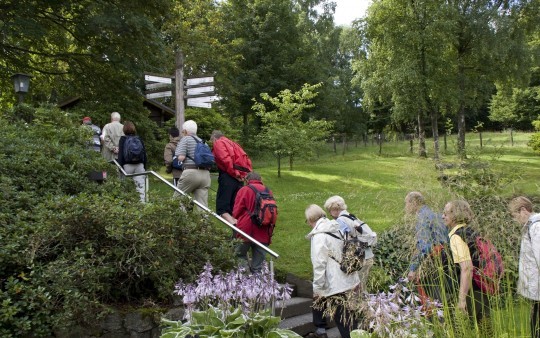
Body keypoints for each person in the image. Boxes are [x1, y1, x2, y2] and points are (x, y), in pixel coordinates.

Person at [305, 204, 360, 338]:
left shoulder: (319, 236)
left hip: (336, 284)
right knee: (351, 320)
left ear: (311, 220)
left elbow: (319, 265)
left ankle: (321, 329)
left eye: (307, 221)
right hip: (350, 278)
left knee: (343, 322)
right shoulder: (337, 228)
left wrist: (317, 288)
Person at [442, 200, 490, 325]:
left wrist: (461, 299)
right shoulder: (470, 231)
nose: (443, 217)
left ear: (455, 215)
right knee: (485, 329)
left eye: (446, 214)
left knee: (460, 330)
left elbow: (467, 268)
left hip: (467, 291)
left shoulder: (456, 237)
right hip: (480, 287)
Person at [323, 195, 376, 295]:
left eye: (329, 210)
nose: (330, 213)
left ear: (334, 209)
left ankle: (359, 309)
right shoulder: (351, 216)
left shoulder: (341, 221)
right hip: (368, 255)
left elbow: (341, 240)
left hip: (358, 258)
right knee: (362, 288)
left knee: (355, 291)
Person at [405, 192, 449, 304]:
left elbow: (424, 246)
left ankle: (437, 320)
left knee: (431, 298)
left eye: (407, 203)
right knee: (439, 295)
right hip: (443, 257)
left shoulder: (422, 217)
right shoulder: (433, 213)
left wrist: (413, 268)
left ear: (414, 202)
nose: (406, 207)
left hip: (430, 259)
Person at [509, 196, 540, 338]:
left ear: (523, 210)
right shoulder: (531, 225)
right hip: (536, 291)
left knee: (536, 327)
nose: (515, 220)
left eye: (515, 216)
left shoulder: (536, 227)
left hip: (539, 288)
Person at [232, 171, 273, 274]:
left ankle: (245, 281)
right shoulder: (268, 191)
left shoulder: (244, 190)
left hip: (246, 229)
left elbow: (236, 211)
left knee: (240, 255)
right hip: (264, 230)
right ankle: (258, 284)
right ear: (260, 179)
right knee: (258, 266)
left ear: (247, 180)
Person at [210, 130, 252, 225]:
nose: (213, 143)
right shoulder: (233, 144)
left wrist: (235, 174)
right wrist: (242, 175)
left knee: (222, 208)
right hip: (239, 178)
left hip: (229, 176)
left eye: (212, 141)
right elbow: (246, 159)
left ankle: (236, 227)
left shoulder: (219, 142)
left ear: (214, 138)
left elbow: (226, 160)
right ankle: (239, 232)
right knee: (234, 207)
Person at [174, 120, 211, 207]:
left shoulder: (185, 139)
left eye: (183, 131)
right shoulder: (204, 142)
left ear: (185, 131)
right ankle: (203, 220)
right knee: (202, 205)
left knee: (176, 200)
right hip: (205, 175)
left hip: (191, 173)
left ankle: (183, 220)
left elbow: (181, 157)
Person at [118, 121, 147, 203]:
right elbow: (144, 154)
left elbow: (120, 155)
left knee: (126, 188)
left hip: (127, 166)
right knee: (140, 187)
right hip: (139, 165)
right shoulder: (139, 138)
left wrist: (120, 167)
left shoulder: (123, 139)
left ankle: (127, 205)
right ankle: (142, 205)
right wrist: (144, 166)